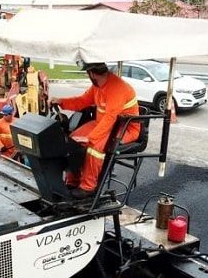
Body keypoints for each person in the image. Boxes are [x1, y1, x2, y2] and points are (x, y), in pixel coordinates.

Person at [49, 62, 140, 199]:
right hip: (104, 123)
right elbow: (82, 101)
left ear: (91, 74)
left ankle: (88, 188)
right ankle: (73, 182)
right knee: (73, 140)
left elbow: (110, 117)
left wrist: (91, 138)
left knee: (94, 147)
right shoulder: (97, 86)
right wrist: (61, 102)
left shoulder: (117, 88)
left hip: (125, 128)